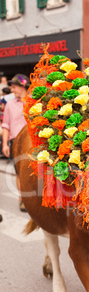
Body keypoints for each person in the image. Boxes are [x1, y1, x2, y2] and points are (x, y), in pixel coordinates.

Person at [2, 74, 30, 212]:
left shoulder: (34, 102)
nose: (12, 90)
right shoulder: (10, 105)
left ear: (23, 85)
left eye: (14, 87)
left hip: (32, 143)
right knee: (19, 173)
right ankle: (22, 198)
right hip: (16, 144)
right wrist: (5, 144)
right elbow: (5, 125)